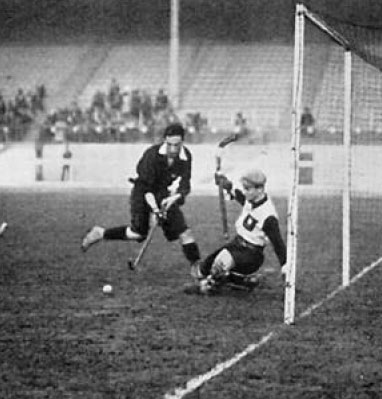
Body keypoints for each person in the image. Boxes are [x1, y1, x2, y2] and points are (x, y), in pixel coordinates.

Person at [80, 123, 201, 274]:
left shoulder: (186, 156)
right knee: (138, 233)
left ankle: (198, 269)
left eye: (176, 145)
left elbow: (185, 185)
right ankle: (100, 233)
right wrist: (156, 211)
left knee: (185, 233)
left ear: (182, 142)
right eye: (169, 144)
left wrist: (175, 197)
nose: (172, 149)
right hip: (143, 192)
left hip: (163, 196)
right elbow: (147, 189)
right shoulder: (152, 155)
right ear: (164, 140)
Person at [190, 168, 286, 295]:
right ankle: (241, 281)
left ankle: (209, 286)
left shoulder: (268, 216)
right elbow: (240, 197)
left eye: (248, 189)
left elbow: (278, 244)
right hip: (236, 245)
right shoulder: (252, 199)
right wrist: (225, 184)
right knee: (203, 268)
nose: (245, 192)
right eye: (244, 188)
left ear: (260, 189)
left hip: (251, 254)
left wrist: (285, 267)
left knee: (219, 266)